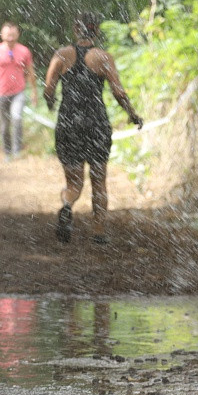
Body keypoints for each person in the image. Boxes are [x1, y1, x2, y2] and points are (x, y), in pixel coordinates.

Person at [44, 13, 143, 244]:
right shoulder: (103, 57)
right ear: (96, 31)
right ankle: (99, 231)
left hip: (69, 122)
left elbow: (49, 90)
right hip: (96, 123)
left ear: (76, 30)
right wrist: (132, 114)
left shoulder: (61, 55)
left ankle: (68, 205)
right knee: (99, 179)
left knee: (74, 182)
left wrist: (52, 105)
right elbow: (118, 92)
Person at [0, 21, 38, 160]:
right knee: (4, 125)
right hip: (0, 93)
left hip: (18, 92)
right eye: (8, 35)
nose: (10, 38)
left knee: (17, 117)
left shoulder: (24, 51)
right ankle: (7, 152)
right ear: (2, 35)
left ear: (18, 35)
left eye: (13, 34)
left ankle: (16, 150)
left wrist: (34, 91)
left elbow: (31, 72)